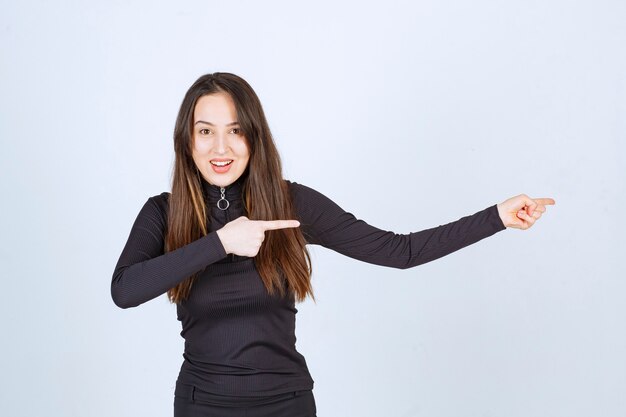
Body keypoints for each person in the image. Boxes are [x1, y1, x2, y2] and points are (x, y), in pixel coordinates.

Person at [111, 72, 555, 417]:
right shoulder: (164, 213)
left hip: (286, 403)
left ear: (254, 138)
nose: (220, 147)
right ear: (187, 141)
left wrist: (495, 217)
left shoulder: (290, 202)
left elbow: (400, 252)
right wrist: (221, 242)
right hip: (201, 404)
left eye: (235, 130)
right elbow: (125, 290)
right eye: (205, 131)